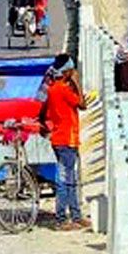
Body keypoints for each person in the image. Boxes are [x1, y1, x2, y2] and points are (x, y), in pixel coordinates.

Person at [42, 54, 93, 230]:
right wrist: (77, 82)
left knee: (70, 179)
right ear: (67, 72)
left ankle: (75, 215)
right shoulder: (63, 89)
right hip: (66, 139)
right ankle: (61, 218)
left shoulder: (52, 89)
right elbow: (82, 104)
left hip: (60, 139)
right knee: (65, 180)